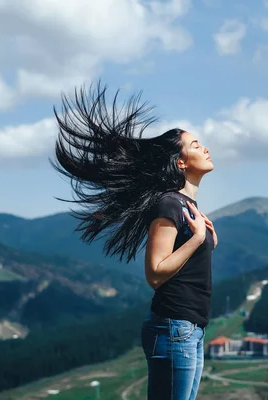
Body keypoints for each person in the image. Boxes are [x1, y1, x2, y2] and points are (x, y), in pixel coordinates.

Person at [50, 82, 217, 399]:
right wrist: (196, 239)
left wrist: (205, 237)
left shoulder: (186, 206)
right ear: (180, 162)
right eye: (196, 145)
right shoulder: (169, 204)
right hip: (174, 328)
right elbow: (155, 273)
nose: (205, 148)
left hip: (190, 328)